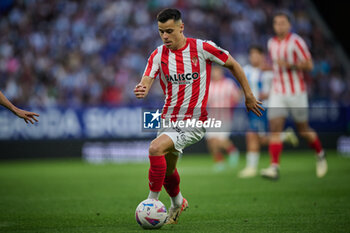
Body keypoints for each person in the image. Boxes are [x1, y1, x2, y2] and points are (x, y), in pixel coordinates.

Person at [133, 8, 263, 225]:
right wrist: (142, 88)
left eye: (169, 31)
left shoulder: (202, 48)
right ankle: (177, 202)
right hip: (168, 119)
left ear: (181, 27)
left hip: (194, 121)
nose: (165, 36)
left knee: (155, 148)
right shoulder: (158, 54)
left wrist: (248, 95)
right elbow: (146, 78)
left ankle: (150, 205)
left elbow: (233, 64)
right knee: (168, 171)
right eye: (161, 32)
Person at [260, 11, 327, 180]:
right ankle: (274, 167)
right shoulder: (271, 43)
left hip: (296, 91)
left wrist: (290, 65)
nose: (279, 26)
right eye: (276, 23)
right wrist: (267, 67)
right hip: (278, 92)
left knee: (303, 129)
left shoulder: (296, 41)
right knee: (275, 128)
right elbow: (276, 66)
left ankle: (320, 155)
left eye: (282, 23)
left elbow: (309, 65)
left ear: (289, 25)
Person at [238, 45, 299, 178]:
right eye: (251, 54)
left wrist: (269, 94)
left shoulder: (270, 72)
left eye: (256, 54)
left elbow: (280, 87)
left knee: (253, 135)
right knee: (256, 137)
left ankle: (251, 167)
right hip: (250, 108)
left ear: (262, 56)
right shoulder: (246, 70)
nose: (253, 57)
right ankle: (284, 136)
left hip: (263, 107)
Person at [205, 65, 241, 172]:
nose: (215, 73)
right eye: (213, 71)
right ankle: (219, 162)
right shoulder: (209, 85)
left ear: (221, 71)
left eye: (216, 70)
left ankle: (233, 151)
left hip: (225, 117)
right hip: (212, 117)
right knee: (211, 141)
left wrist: (231, 105)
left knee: (220, 140)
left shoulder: (229, 84)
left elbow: (237, 97)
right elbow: (206, 101)